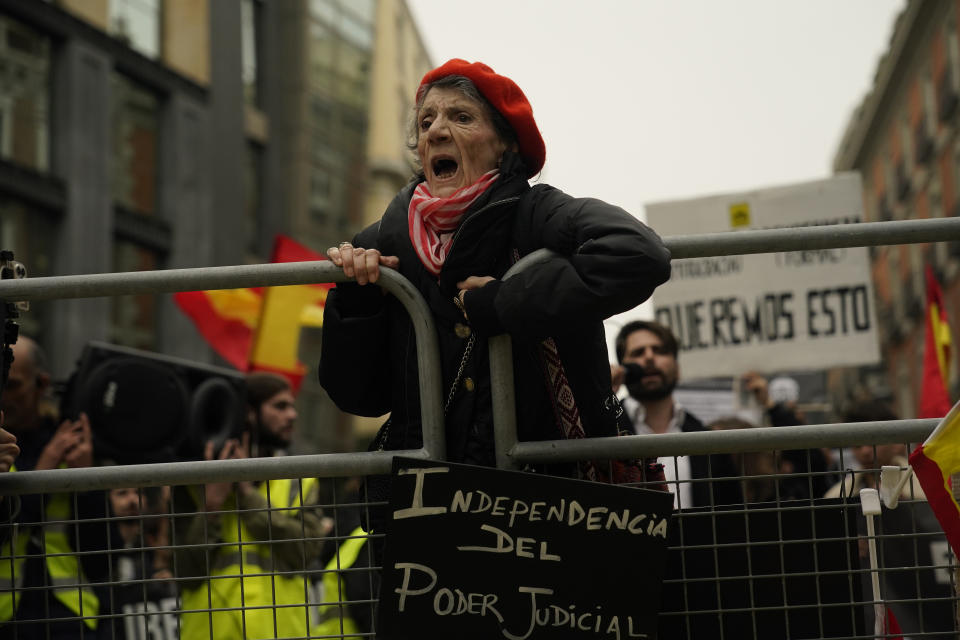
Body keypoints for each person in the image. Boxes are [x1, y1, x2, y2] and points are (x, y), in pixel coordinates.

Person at [319, 59, 671, 481]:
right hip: (427, 505)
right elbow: (359, 397)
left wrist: (507, 302)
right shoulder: (382, 241)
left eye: (462, 117)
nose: (436, 131)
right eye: (426, 120)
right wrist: (359, 299)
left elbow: (639, 252)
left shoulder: (538, 213)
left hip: (551, 496)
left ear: (506, 146)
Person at [175, 372, 332, 640]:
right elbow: (185, 574)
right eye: (280, 406)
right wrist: (211, 506)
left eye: (292, 406)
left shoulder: (299, 481)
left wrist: (246, 493)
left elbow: (305, 551)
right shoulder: (192, 483)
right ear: (248, 413)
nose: (292, 415)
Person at [0, 336, 109, 638]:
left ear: (42, 383)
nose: (2, 396)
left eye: (11, 385)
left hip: (71, 617)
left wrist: (88, 483)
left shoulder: (71, 444)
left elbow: (101, 555)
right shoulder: (55, 451)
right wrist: (45, 470)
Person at [611, 320, 740, 508]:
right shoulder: (606, 429)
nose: (649, 357)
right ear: (622, 369)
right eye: (638, 353)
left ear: (677, 369)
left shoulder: (707, 439)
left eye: (660, 351)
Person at [824, 401, 925, 500]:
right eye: (857, 445)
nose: (865, 451)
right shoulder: (835, 497)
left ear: (896, 442)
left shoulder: (926, 487)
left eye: (873, 443)